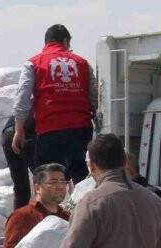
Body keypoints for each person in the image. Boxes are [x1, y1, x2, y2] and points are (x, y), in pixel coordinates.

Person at [12, 24, 97, 184]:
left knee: (48, 178)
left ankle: (49, 207)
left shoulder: (33, 63)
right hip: (81, 129)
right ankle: (84, 205)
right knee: (80, 172)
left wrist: (19, 129)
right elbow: (94, 98)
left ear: (46, 42)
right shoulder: (83, 63)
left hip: (50, 129)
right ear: (65, 41)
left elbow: (22, 98)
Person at [1, 115, 36, 209]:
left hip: (8, 132)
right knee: (44, 185)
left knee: (21, 189)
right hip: (27, 133)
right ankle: (45, 221)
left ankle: (18, 222)